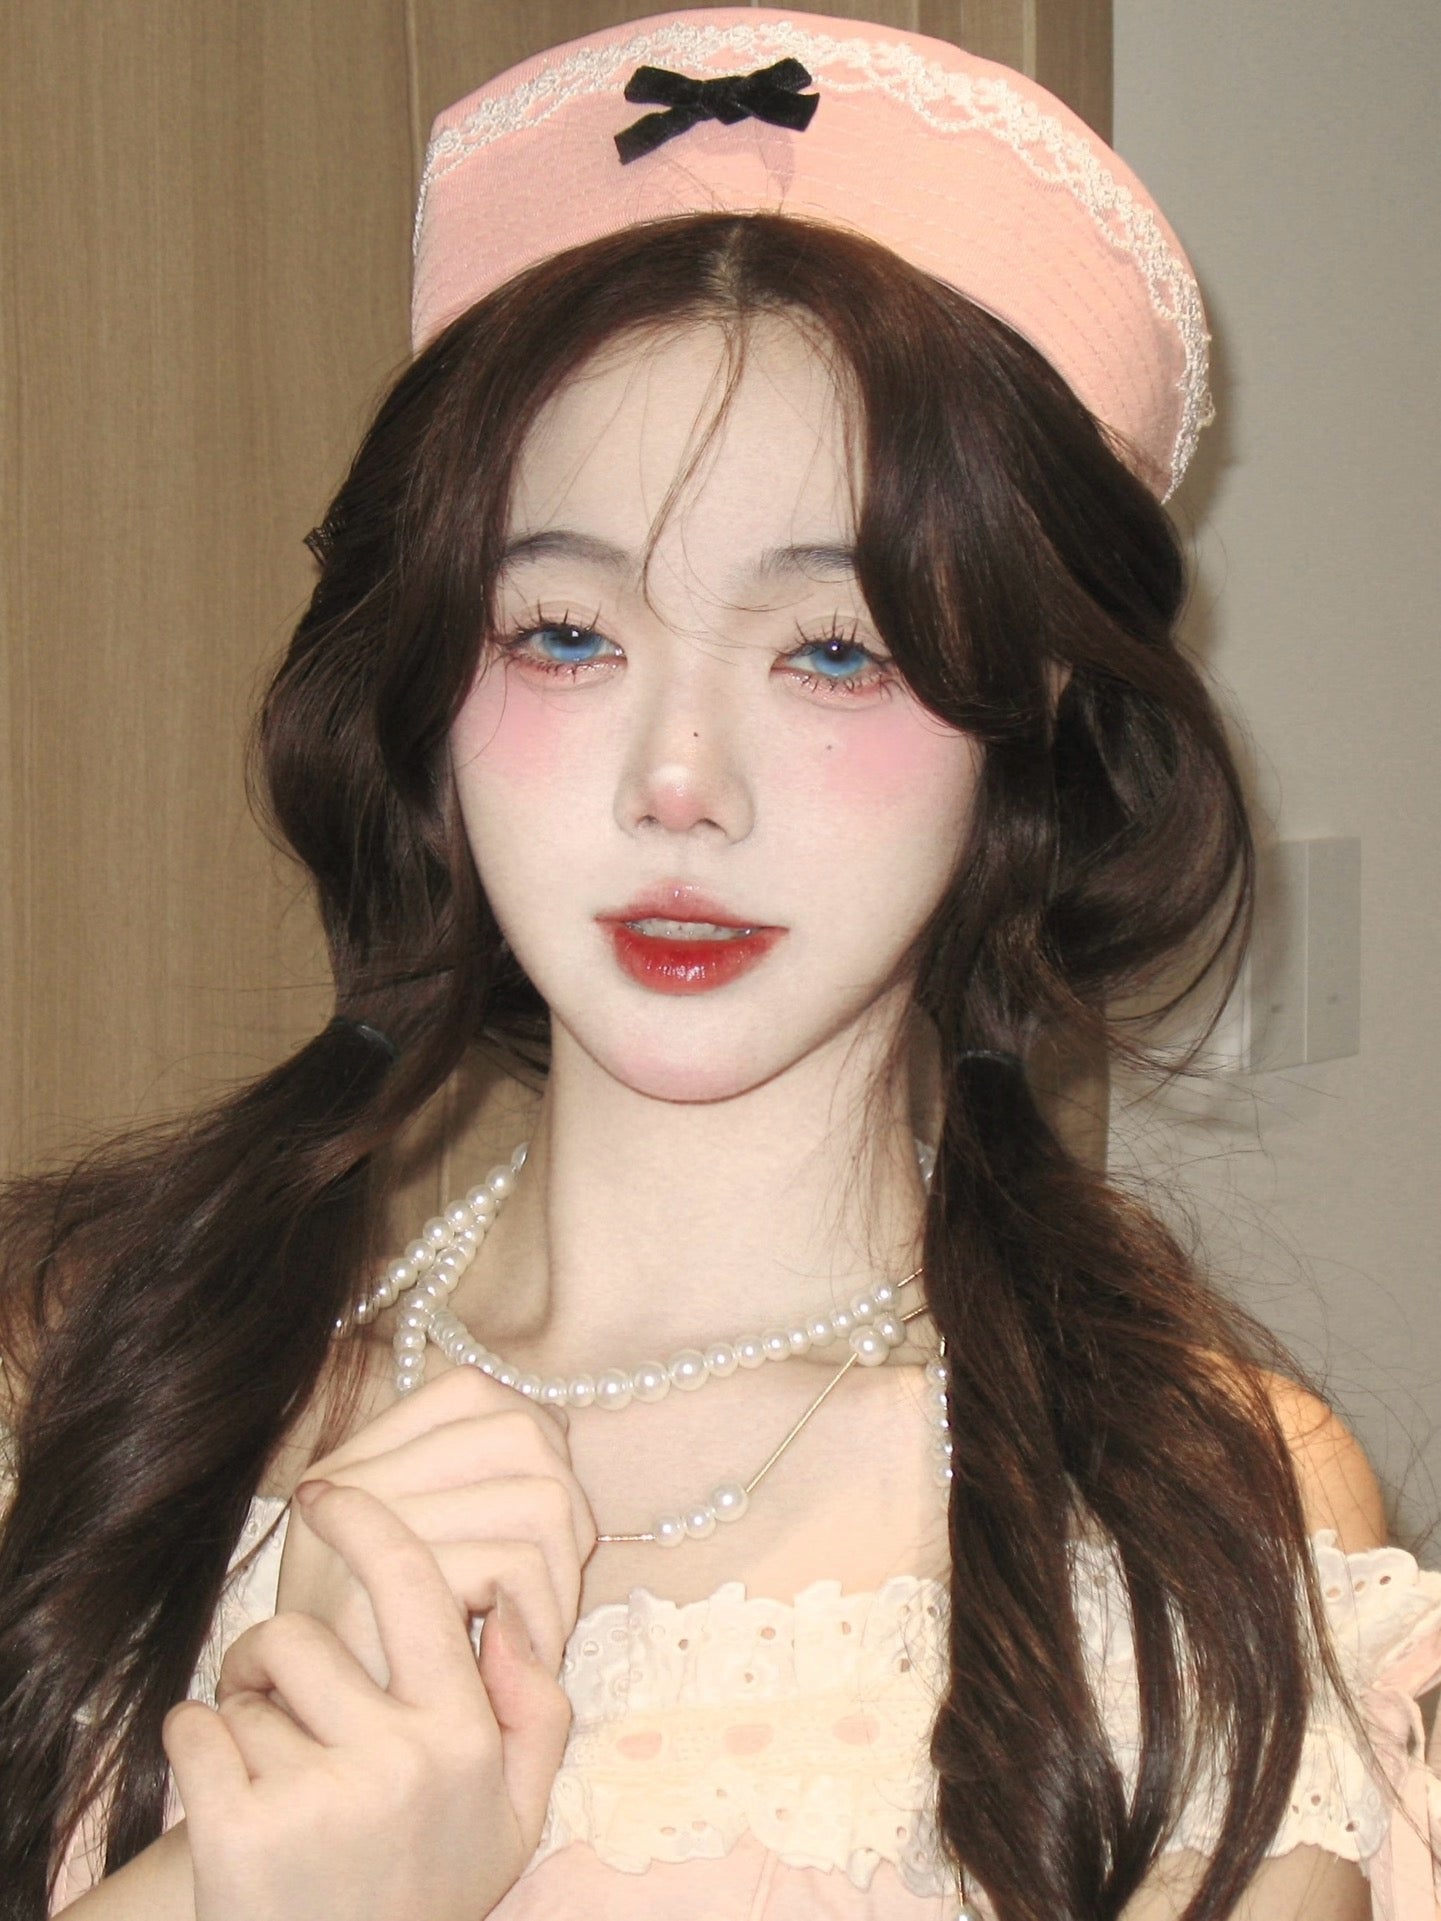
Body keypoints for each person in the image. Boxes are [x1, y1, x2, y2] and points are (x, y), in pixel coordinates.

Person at [0, 9, 1437, 1919]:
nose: (678, 782)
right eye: (565, 632)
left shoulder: (1181, 1514)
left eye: (834, 650)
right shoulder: (89, 1381)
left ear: (1025, 719)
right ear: (427, 676)